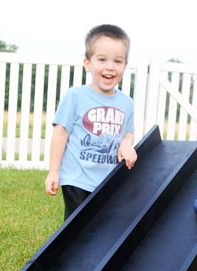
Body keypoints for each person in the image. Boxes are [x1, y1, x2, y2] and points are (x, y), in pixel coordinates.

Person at [45, 24, 137, 220]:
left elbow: (128, 132)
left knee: (102, 226)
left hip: (108, 179)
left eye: (117, 61)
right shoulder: (75, 96)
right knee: (77, 227)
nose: (110, 67)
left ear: (125, 65)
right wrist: (53, 171)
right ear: (87, 63)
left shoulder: (126, 103)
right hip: (76, 178)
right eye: (102, 59)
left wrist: (126, 144)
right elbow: (60, 133)